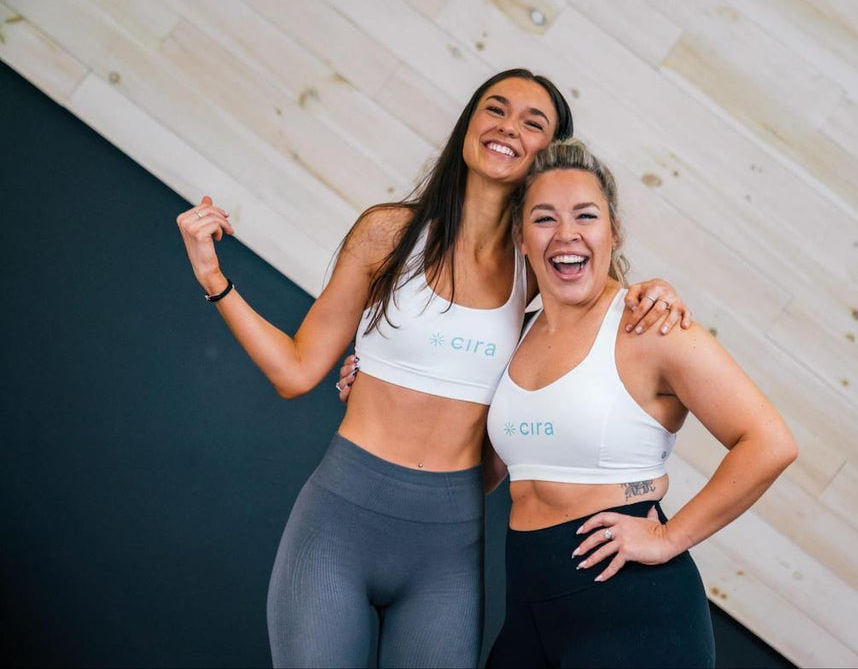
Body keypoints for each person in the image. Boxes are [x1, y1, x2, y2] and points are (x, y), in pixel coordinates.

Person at [175, 69, 693, 668]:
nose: (507, 128)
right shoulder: (388, 234)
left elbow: (604, 326)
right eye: (495, 110)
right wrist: (214, 279)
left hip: (448, 544)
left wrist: (656, 293)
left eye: (532, 123)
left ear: (545, 156)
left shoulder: (542, 267)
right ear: (469, 123)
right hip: (338, 521)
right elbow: (295, 371)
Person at [481, 139, 799, 668]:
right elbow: (484, 468)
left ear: (614, 230)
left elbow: (769, 443)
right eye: (544, 218)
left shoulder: (650, 327)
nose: (566, 235)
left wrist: (670, 537)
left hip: (631, 613)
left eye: (586, 215)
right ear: (520, 235)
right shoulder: (517, 330)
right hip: (529, 607)